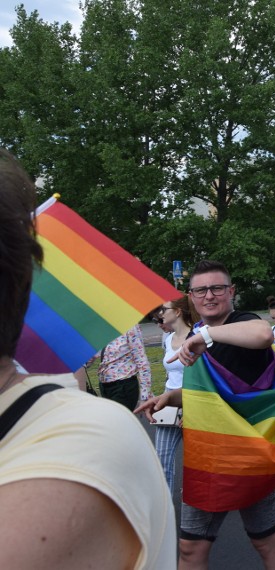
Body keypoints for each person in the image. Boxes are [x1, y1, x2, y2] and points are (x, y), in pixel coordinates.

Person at [0, 148, 176, 568]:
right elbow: (89, 360)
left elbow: (138, 356)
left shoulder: (81, 447)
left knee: (119, 416)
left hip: (126, 383)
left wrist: (145, 391)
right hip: (105, 380)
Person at [137, 260, 275, 569]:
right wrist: (170, 397)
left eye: (217, 288)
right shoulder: (196, 332)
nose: (209, 295)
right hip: (211, 456)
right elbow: (211, 395)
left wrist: (205, 337)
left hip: (253, 453)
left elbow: (263, 334)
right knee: (190, 548)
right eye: (201, 290)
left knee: (265, 539)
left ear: (231, 291)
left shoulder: (240, 321)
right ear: (191, 296)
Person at [154, 295, 196, 496]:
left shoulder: (197, 337)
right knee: (161, 461)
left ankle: (203, 505)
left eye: (165, 309)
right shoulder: (168, 338)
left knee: (197, 462)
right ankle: (165, 515)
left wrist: (192, 410)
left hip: (194, 402)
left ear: (178, 312)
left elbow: (202, 377)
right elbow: (172, 373)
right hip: (168, 402)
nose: (161, 314)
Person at [97, 324, 153, 411]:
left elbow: (142, 362)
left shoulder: (129, 326)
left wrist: (145, 396)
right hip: (105, 387)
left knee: (118, 422)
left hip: (123, 387)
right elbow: (90, 358)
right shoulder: (102, 328)